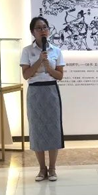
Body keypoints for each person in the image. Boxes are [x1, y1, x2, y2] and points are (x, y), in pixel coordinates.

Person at [20, 17, 66, 182]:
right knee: (37, 129)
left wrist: (47, 66)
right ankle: (41, 169)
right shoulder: (27, 51)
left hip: (51, 91)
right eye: (39, 28)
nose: (43, 30)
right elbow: (26, 75)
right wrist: (40, 59)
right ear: (33, 32)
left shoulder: (56, 51)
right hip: (35, 92)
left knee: (53, 128)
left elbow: (59, 76)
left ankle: (52, 168)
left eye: (45, 27)